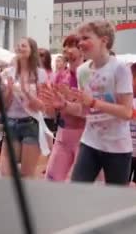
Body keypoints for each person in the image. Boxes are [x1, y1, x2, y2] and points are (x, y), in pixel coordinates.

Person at [56, 21, 134, 185]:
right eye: (79, 40)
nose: (81, 43)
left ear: (104, 41)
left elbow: (127, 112)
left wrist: (94, 103)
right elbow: (85, 111)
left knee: (114, 199)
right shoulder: (82, 71)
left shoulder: (119, 68)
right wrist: (64, 105)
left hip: (117, 146)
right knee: (77, 190)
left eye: (86, 38)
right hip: (90, 142)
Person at [0, 37, 51, 178]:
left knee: (26, 176)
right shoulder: (7, 73)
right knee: (6, 174)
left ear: (31, 50)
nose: (20, 48)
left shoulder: (40, 74)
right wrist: (9, 91)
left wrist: (26, 92)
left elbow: (42, 107)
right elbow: (4, 105)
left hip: (30, 123)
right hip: (11, 124)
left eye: (24, 46)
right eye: (18, 45)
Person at [41, 34, 86, 182]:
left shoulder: (89, 76)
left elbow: (90, 112)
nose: (67, 50)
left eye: (72, 46)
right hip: (62, 137)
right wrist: (46, 102)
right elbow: (50, 111)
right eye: (65, 46)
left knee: (77, 186)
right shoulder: (59, 77)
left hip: (85, 139)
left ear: (83, 50)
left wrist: (66, 105)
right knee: (51, 181)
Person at [39, 48, 57, 135]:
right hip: (34, 114)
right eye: (37, 55)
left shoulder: (53, 75)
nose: (38, 58)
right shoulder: (32, 74)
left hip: (48, 113)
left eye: (41, 55)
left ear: (47, 58)